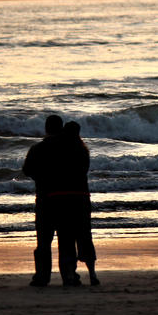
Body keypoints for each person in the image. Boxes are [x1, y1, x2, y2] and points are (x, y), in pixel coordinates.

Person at [52, 120, 99, 286]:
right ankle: (92, 273)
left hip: (63, 198)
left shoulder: (58, 151)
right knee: (85, 235)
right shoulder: (83, 150)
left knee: (66, 237)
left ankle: (71, 274)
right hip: (82, 197)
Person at [22, 114, 65, 287]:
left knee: (43, 241)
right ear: (61, 129)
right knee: (66, 240)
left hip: (44, 197)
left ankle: (42, 276)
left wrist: (39, 178)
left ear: (46, 129)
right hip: (64, 198)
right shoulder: (68, 148)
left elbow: (27, 170)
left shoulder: (37, 148)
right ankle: (69, 275)